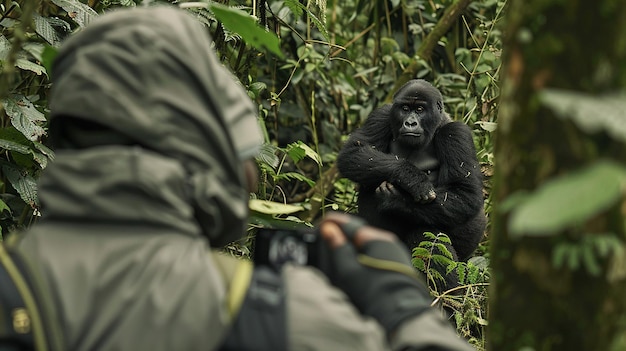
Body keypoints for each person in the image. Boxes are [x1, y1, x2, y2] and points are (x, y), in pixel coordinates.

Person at [2, 5, 473, 351]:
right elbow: (351, 159)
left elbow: (466, 204)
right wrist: (400, 303)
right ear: (218, 153)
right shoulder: (280, 315)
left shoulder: (11, 283)